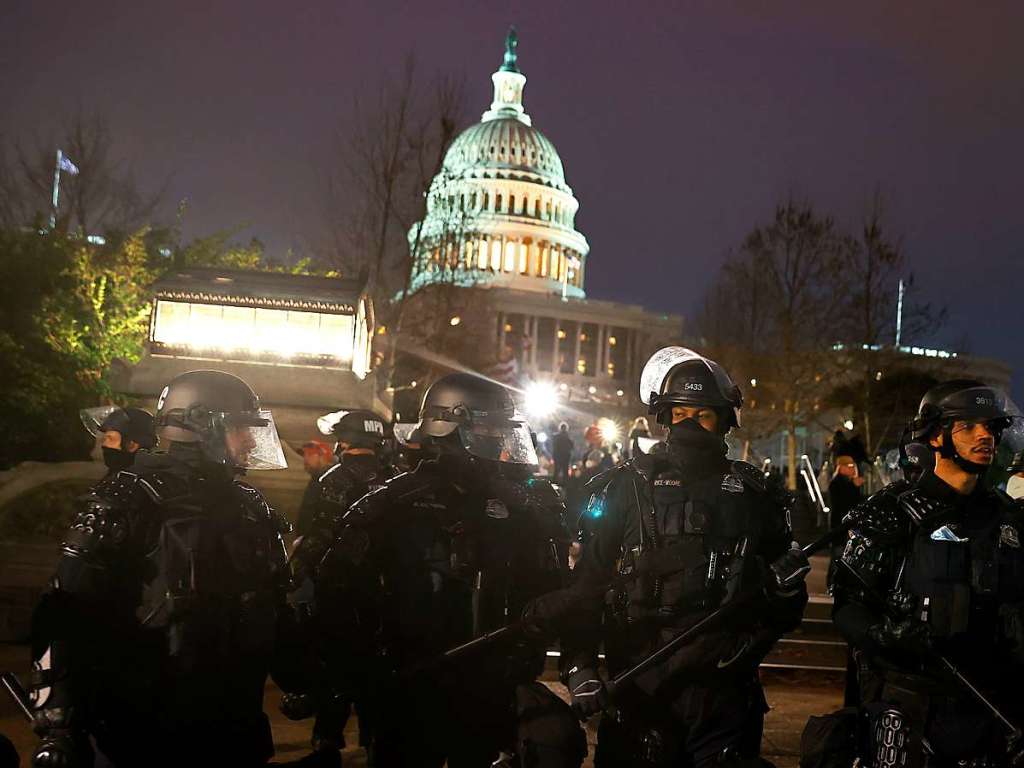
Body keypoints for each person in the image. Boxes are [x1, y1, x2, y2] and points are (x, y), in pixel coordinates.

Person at [525, 346, 810, 768]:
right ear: (664, 417)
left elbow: (785, 607)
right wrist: (580, 670)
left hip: (723, 696)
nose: (690, 425)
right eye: (680, 414)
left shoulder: (756, 498)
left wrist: (783, 595)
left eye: (703, 415)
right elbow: (586, 589)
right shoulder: (624, 489)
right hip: (637, 691)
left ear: (724, 421)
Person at [294, 373, 585, 767]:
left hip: (487, 691)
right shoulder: (391, 505)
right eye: (488, 427)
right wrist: (359, 670)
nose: (499, 438)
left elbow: (551, 590)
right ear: (453, 425)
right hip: (408, 691)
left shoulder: (518, 506)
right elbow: (337, 596)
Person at [29, 370, 297, 767]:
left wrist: (307, 676)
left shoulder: (250, 507)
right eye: (239, 428)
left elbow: (275, 607)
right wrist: (58, 723)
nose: (249, 441)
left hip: (233, 726)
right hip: (141, 729)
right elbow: (66, 611)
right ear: (200, 425)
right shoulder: (129, 497)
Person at [825, 380, 1024, 768]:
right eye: (969, 426)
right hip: (911, 717)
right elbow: (847, 607)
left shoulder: (1008, 520)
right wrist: (883, 635)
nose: (985, 436)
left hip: (994, 717)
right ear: (935, 436)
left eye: (991, 427)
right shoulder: (892, 513)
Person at [285, 409, 391, 766]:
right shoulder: (397, 479)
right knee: (377, 680)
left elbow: (316, 538)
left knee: (335, 672)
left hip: (339, 597)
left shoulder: (332, 480)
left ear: (345, 441)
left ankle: (327, 743)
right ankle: (375, 743)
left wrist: (294, 576)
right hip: (388, 600)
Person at [79, 406, 157, 475]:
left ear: (131, 445)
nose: (104, 444)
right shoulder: (117, 476)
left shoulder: (134, 484)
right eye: (105, 438)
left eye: (111, 439)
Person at [296, 440, 336, 537]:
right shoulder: (315, 479)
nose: (305, 459)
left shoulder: (333, 480)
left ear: (323, 456)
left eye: (310, 455)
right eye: (304, 455)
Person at [552, 422, 574, 486]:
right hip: (566, 457)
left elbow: (555, 447)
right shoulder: (568, 437)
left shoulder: (556, 436)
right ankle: (565, 487)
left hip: (558, 457)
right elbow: (572, 446)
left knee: (556, 472)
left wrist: (554, 457)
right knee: (565, 473)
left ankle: (554, 486)